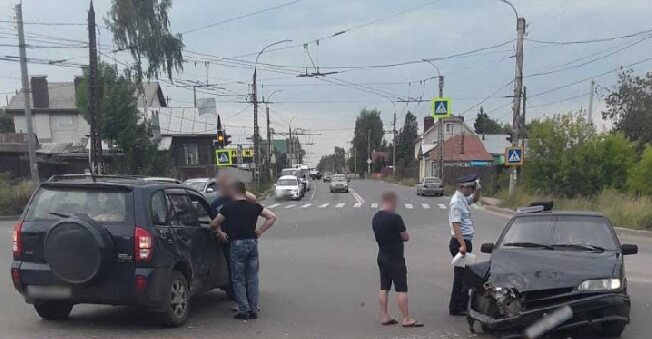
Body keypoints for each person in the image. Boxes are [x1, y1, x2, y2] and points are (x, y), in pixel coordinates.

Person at [211, 181, 277, 320]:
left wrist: (219, 231)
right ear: (244, 192)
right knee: (252, 278)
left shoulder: (228, 208)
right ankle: (253, 310)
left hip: (237, 244)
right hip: (252, 243)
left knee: (238, 278)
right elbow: (272, 217)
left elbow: (215, 223)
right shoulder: (254, 206)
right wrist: (259, 231)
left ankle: (243, 310)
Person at [372, 192, 423, 328]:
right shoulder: (395, 218)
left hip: (382, 255)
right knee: (401, 288)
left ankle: (384, 316)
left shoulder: (376, 217)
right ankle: (406, 318)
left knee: (384, 287)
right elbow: (405, 236)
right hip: (395, 258)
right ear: (391, 202)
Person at [448, 174, 481, 316]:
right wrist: (462, 245)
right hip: (460, 243)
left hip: (464, 241)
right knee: (461, 277)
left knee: (464, 276)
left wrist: (478, 189)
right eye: (471, 188)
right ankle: (456, 307)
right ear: (463, 187)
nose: (472, 191)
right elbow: (456, 226)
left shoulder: (462, 198)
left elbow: (474, 199)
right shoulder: (456, 202)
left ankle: (461, 304)